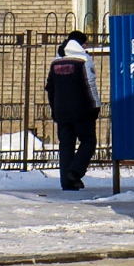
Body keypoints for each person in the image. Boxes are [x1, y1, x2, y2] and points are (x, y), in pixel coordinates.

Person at [45, 30, 101, 191]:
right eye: (84, 43)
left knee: (66, 146)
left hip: (62, 112)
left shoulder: (55, 63)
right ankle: (75, 172)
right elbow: (89, 85)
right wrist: (95, 106)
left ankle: (67, 183)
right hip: (82, 111)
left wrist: (54, 110)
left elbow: (50, 88)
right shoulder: (83, 60)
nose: (86, 45)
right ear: (78, 44)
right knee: (89, 141)